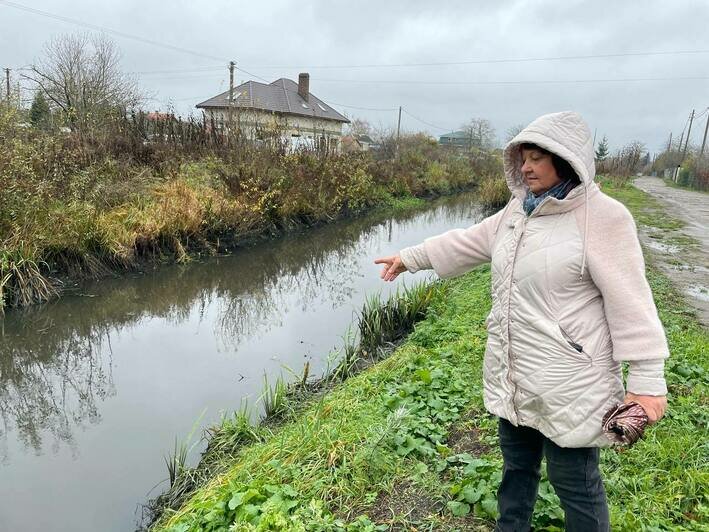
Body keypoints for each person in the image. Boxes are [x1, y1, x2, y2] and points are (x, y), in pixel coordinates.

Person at [374, 111, 668, 532]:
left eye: (536, 159)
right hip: (514, 373)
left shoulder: (603, 218)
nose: (525, 167)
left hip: (571, 385)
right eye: (523, 158)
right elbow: (470, 240)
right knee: (517, 471)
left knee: (577, 488)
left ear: (565, 161)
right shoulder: (518, 210)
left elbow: (632, 303)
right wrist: (410, 258)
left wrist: (647, 382)